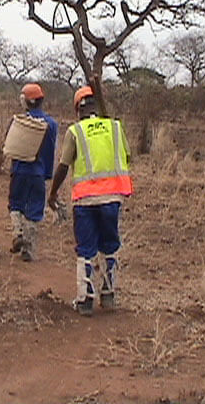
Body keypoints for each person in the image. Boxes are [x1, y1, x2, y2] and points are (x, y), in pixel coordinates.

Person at [47, 86, 133, 316]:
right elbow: (128, 157)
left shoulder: (76, 131)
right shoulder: (115, 126)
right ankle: (109, 294)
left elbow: (64, 166)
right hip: (112, 197)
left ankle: (85, 300)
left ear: (77, 109)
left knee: (85, 249)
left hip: (85, 200)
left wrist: (53, 193)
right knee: (110, 246)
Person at [8, 83, 58, 262]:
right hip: (38, 172)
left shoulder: (19, 121)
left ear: (25, 102)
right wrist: (48, 174)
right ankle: (28, 248)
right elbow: (50, 150)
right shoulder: (51, 124)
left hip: (19, 171)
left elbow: (11, 147)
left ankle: (17, 232)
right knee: (35, 208)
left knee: (16, 204)